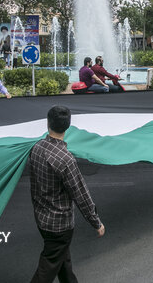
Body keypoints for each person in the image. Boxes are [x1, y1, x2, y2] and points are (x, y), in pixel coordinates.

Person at [29, 106, 105, 283]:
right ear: (68, 126)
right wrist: (96, 222)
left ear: (48, 123)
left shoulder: (36, 148)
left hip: (42, 219)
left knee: (63, 261)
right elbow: (81, 195)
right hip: (60, 226)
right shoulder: (66, 159)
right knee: (47, 267)